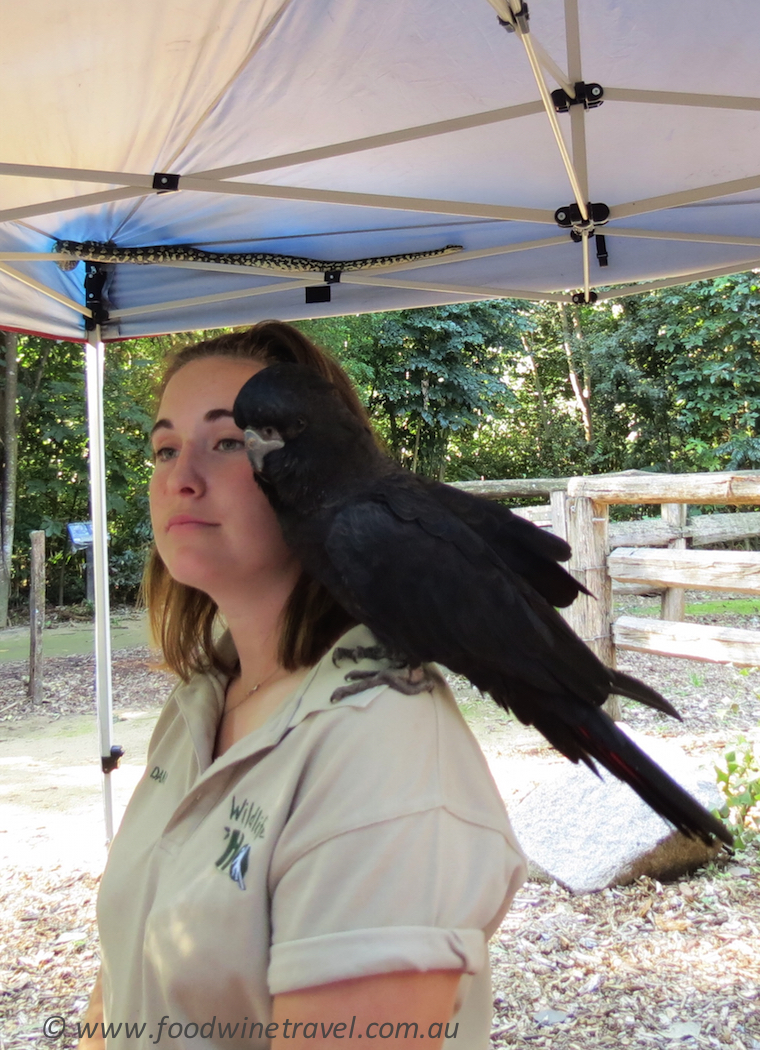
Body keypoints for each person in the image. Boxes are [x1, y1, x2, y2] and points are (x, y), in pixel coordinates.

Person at [80, 322, 527, 1050]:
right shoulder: (202, 698)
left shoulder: (381, 748)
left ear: (316, 459)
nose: (180, 477)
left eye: (228, 442)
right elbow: (123, 995)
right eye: (165, 448)